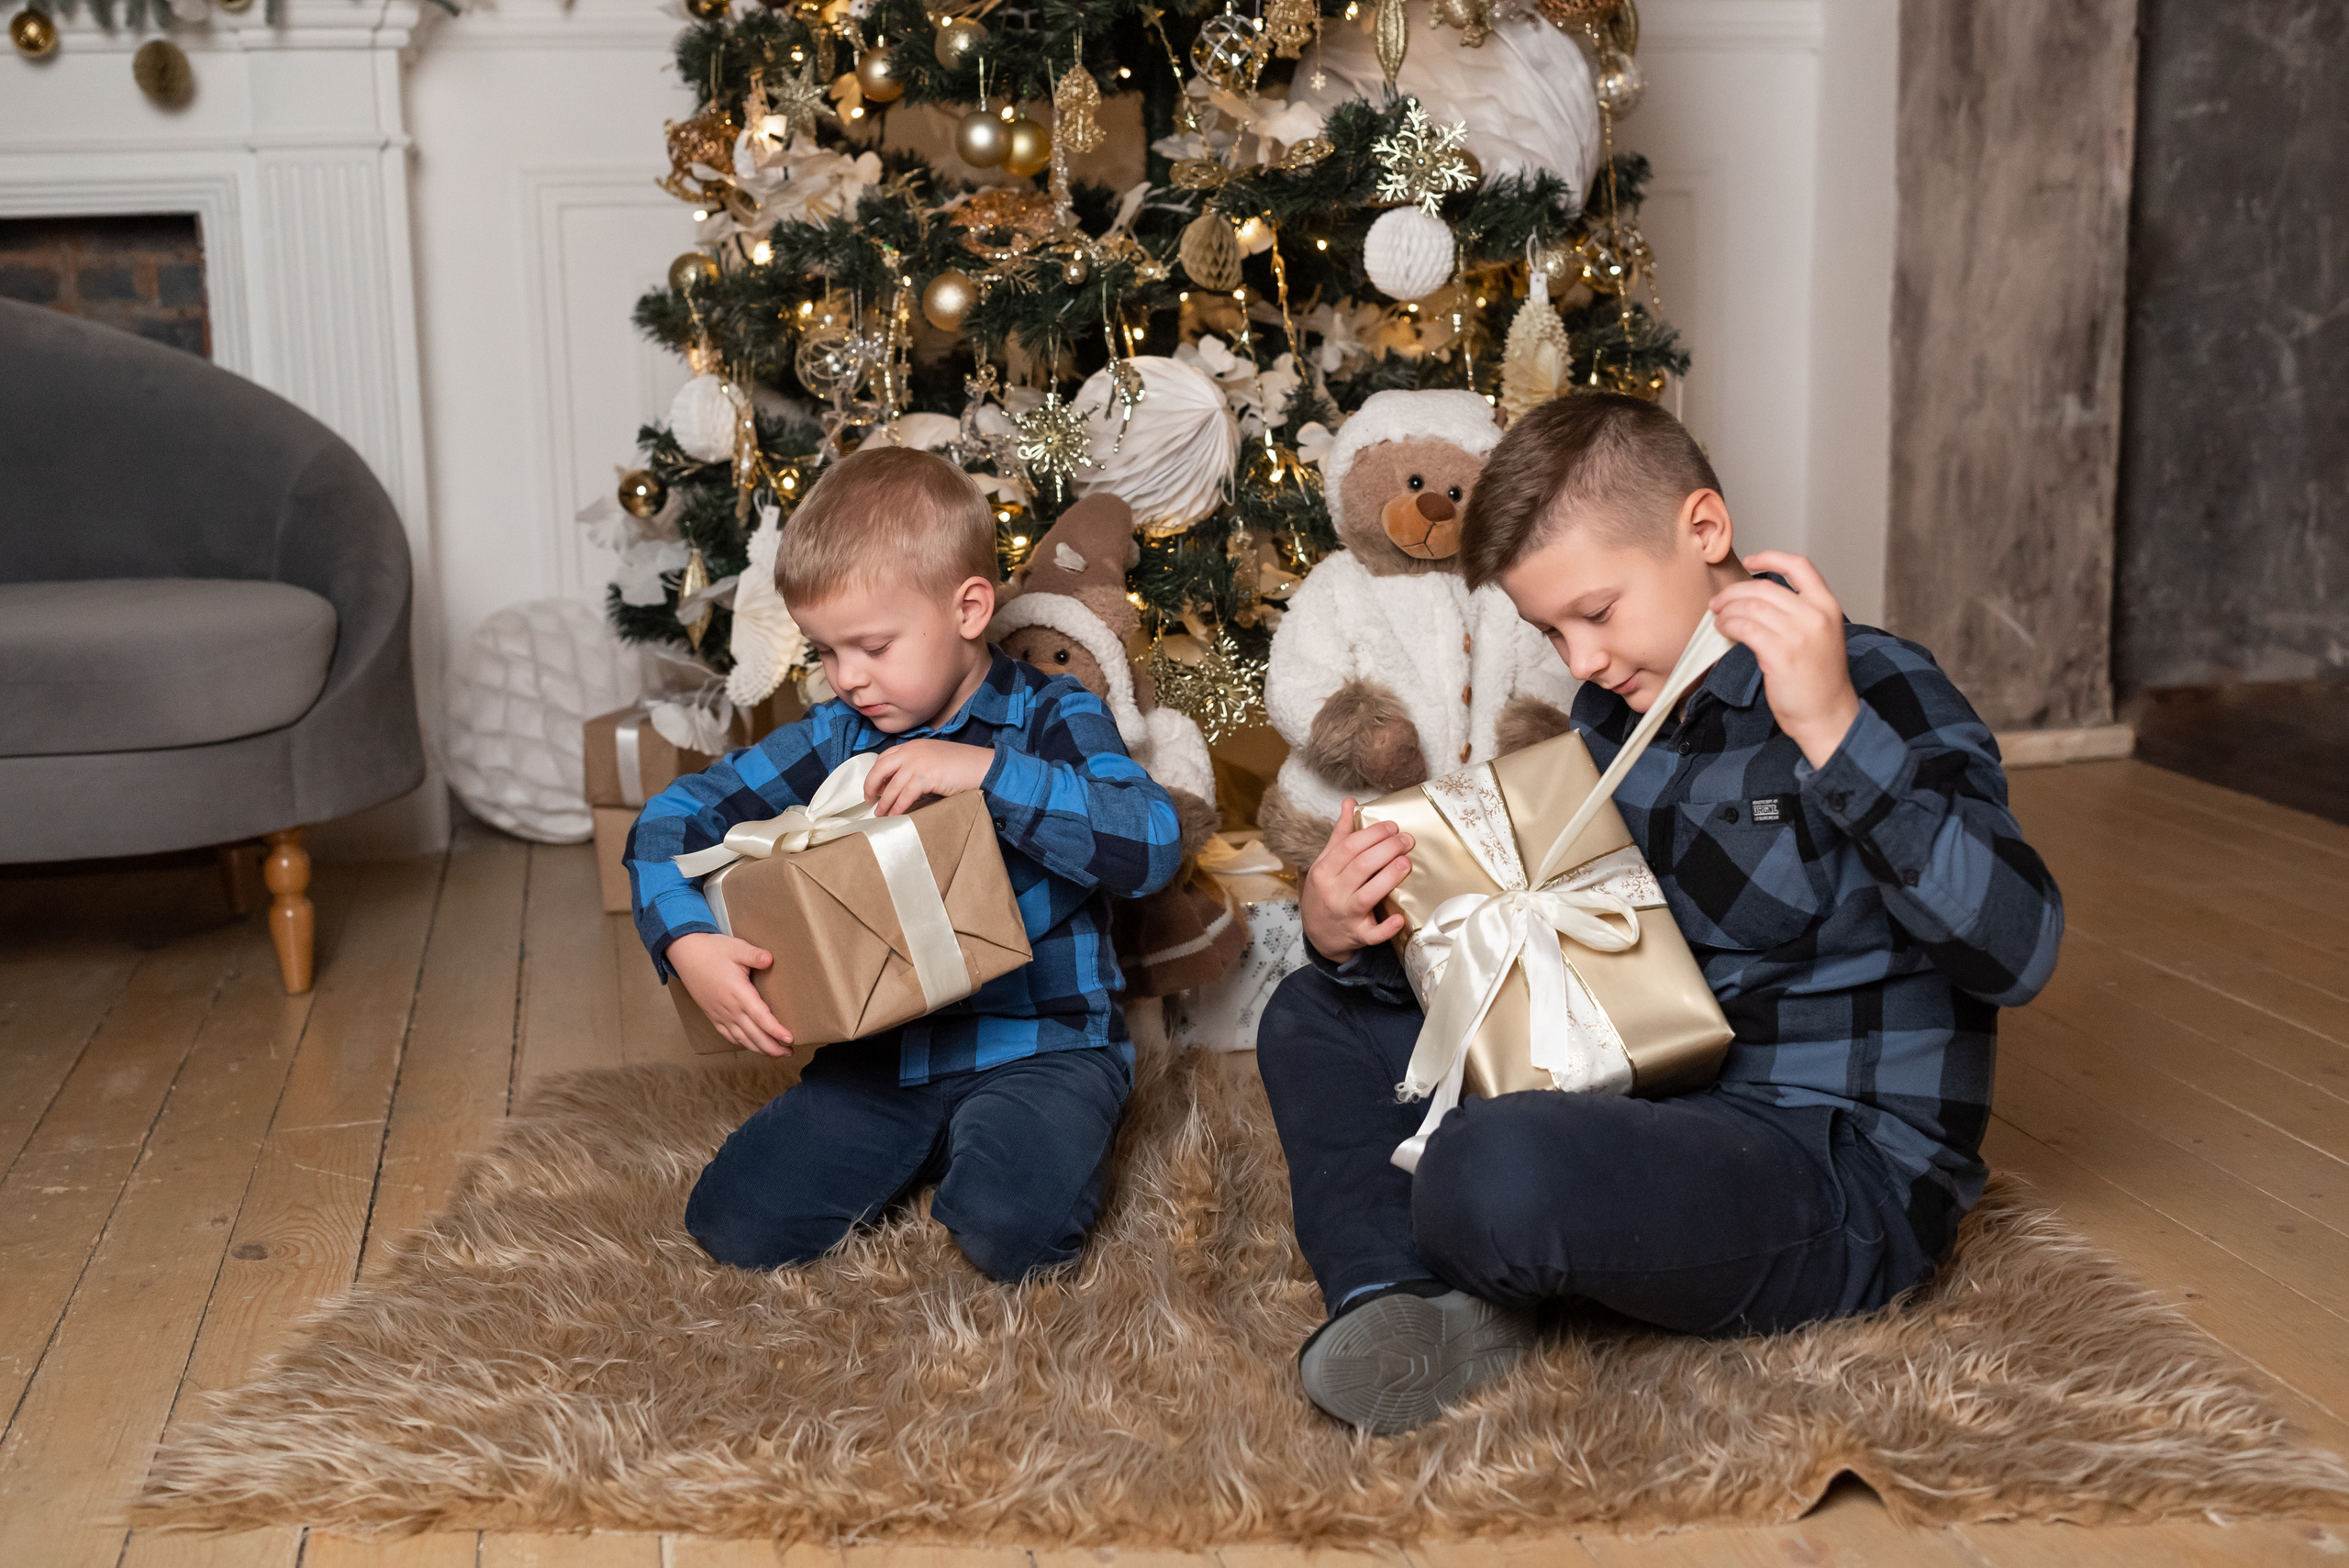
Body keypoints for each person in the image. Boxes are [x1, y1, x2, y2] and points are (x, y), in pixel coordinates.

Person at [1258, 393, 2065, 1435]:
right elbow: (1540, 956)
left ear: (1704, 531)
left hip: (1825, 1162)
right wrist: (1349, 930)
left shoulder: (1877, 685)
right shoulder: (1608, 714)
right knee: (1309, 1010)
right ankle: (1397, 1304)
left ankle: (1489, 1256)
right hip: (1643, 1095)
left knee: (1490, 1166)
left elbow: (2020, 949)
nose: (1580, 659)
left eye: (1594, 612)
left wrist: (1831, 729)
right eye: (1550, 629)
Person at [625, 446, 1182, 1284]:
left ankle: (993, 1151)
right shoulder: (838, 732)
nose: (848, 678)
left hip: (1044, 1045)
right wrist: (685, 940)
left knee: (1010, 1233)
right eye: (825, 652)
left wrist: (990, 776)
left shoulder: (1055, 712)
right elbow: (670, 820)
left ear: (968, 608)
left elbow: (1150, 842)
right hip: (887, 1054)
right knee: (734, 1222)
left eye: (874, 646)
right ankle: (928, 1142)